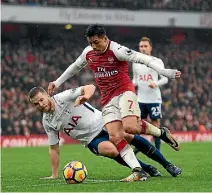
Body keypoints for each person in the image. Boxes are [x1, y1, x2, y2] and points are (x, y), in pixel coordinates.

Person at [47, 24, 181, 181]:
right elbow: (74, 67)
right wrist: (57, 82)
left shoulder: (117, 50)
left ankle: (161, 133)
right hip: (107, 99)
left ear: (105, 39)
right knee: (116, 137)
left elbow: (142, 58)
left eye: (96, 42)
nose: (93, 46)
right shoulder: (88, 53)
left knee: (130, 128)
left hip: (124, 91)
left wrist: (164, 72)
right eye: (90, 43)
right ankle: (138, 170)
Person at [28, 85, 182, 181]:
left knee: (128, 135)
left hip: (104, 123)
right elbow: (53, 147)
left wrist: (86, 96)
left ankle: (168, 165)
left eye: (42, 100)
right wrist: (54, 174)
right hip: (91, 139)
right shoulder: (47, 121)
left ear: (47, 95)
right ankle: (147, 168)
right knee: (112, 150)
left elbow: (89, 87)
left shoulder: (63, 97)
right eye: (36, 104)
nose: (41, 105)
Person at [132, 37, 168, 152]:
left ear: (150, 48)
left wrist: (155, 83)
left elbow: (165, 78)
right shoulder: (135, 62)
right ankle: (139, 147)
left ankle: (157, 151)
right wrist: (131, 85)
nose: (143, 48)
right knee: (137, 125)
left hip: (154, 99)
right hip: (140, 99)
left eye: (145, 46)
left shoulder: (157, 62)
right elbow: (135, 80)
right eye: (141, 46)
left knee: (155, 124)